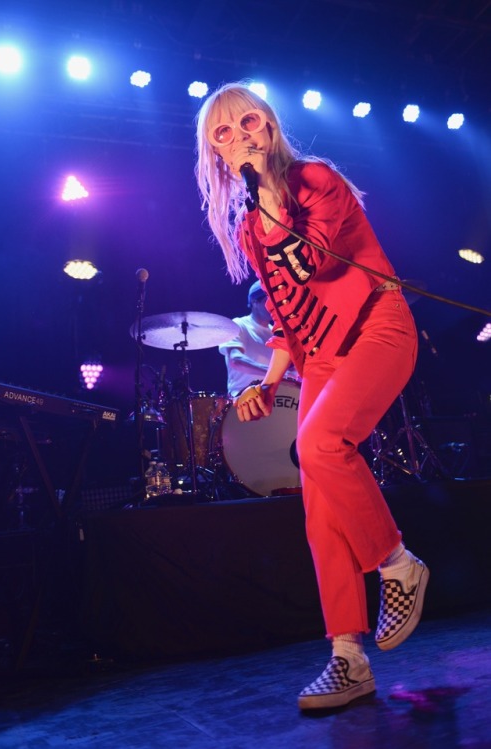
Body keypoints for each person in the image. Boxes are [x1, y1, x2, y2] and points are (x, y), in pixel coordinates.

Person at [195, 82, 429, 711]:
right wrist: (267, 382)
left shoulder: (315, 181)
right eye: (223, 133)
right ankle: (347, 659)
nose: (240, 136)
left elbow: (312, 267)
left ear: (267, 125)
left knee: (322, 443)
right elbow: (287, 316)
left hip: (376, 326)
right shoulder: (249, 227)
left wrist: (269, 196)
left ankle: (396, 562)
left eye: (247, 122)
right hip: (320, 354)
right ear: (216, 155)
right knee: (318, 497)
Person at [219, 279, 298, 396]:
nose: (274, 306)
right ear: (254, 302)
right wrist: (279, 374)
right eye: (269, 301)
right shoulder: (239, 325)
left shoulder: (276, 332)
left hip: (273, 395)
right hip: (242, 396)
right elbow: (236, 361)